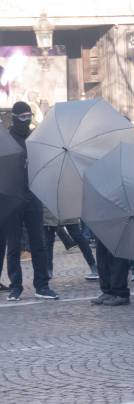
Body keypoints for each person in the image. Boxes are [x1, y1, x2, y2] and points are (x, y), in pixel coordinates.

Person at [5, 101, 58, 301]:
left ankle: (42, 285)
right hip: (13, 197)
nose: (26, 120)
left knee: (39, 243)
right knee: (14, 246)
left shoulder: (34, 137)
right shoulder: (7, 139)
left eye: (29, 116)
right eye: (23, 117)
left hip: (33, 194)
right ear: (15, 117)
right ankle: (15, 286)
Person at [43, 206, 98, 281]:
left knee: (78, 238)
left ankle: (93, 266)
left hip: (64, 210)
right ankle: (48, 270)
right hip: (51, 211)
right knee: (48, 242)